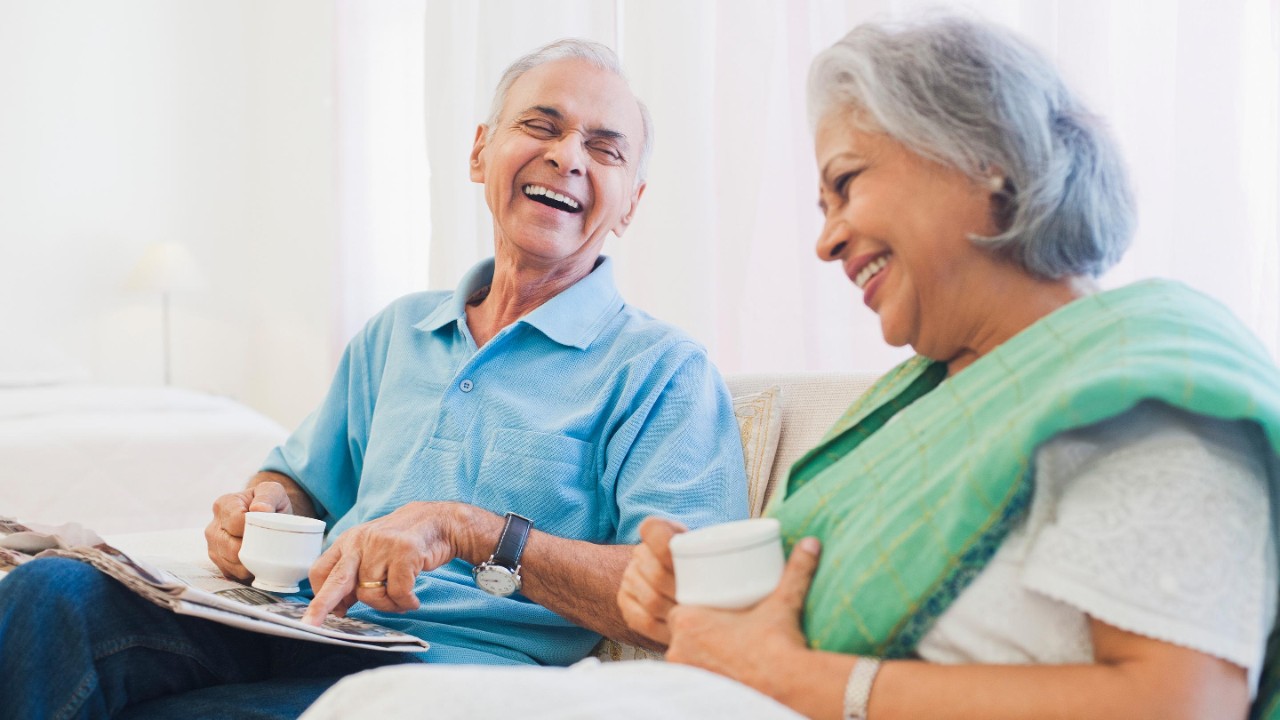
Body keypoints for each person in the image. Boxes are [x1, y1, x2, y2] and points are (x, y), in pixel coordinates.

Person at [300, 14, 1280, 720]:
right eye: (817, 203)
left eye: (844, 186)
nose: (824, 243)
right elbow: (721, 598)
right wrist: (669, 601)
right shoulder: (939, 397)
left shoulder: (1147, 389)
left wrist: (803, 680)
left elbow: (1179, 705)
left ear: (988, 161)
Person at [0, 39, 748, 719]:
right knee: (51, 590)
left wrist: (472, 530)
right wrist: (259, 506)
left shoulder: (662, 370)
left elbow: (687, 596)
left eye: (605, 149)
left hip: (445, 680)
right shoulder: (399, 331)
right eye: (542, 127)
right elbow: (300, 481)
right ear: (481, 151)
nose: (568, 157)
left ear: (631, 205)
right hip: (300, 623)